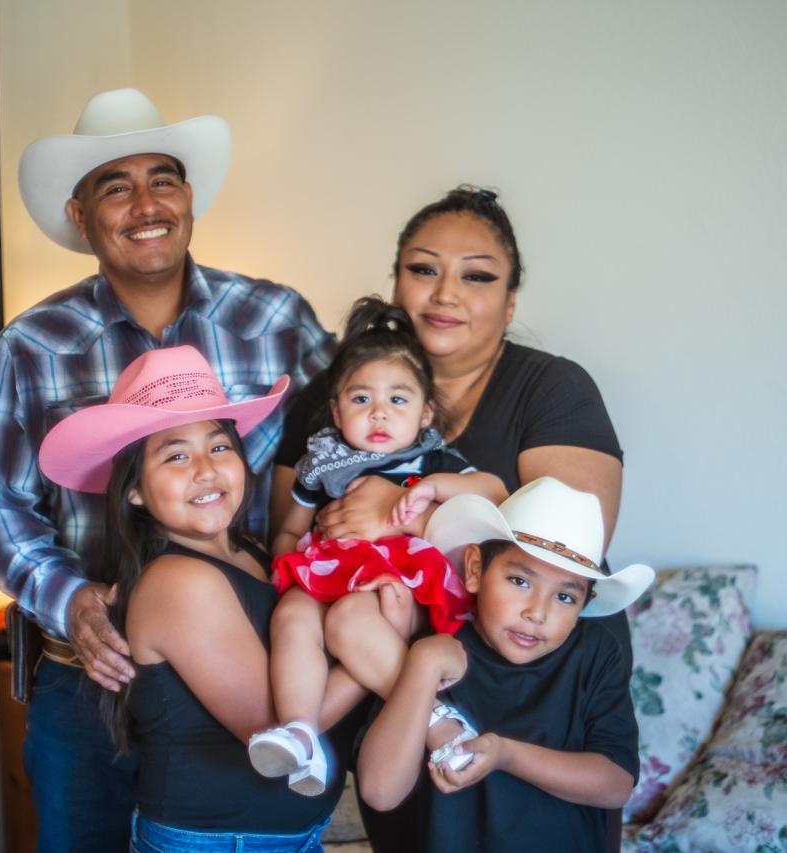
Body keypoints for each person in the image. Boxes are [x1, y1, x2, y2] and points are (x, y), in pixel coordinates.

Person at [0, 89, 333, 852]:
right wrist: (74, 602)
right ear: (80, 214)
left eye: (162, 178)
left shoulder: (276, 319)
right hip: (90, 673)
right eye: (115, 186)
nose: (145, 203)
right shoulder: (30, 345)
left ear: (189, 196)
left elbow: (340, 449)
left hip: (247, 655)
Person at [270, 186, 629, 851]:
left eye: (477, 275)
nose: (445, 292)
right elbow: (294, 525)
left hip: (531, 685)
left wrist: (399, 511)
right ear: (396, 281)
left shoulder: (553, 387)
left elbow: (574, 538)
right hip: (392, 687)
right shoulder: (335, 392)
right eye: (423, 268)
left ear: (511, 301)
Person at [37, 346, 365, 852]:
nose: (206, 469)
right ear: (135, 492)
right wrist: (387, 659)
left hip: (285, 838)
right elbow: (277, 732)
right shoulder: (179, 583)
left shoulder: (251, 553)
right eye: (175, 455)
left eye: (219, 447)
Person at [247, 296, 505, 797]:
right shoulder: (321, 462)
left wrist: (434, 491)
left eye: (399, 400)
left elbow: (495, 492)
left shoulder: (429, 461)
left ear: (427, 412)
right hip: (323, 567)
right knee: (291, 618)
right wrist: (283, 567)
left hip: (395, 575)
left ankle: (436, 719)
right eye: (361, 399)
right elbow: (288, 527)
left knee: (351, 621)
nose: (379, 413)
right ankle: (300, 731)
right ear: (337, 410)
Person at [358, 477, 654, 852]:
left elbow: (615, 785)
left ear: (585, 605)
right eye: (519, 580)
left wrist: (505, 755)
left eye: (564, 596)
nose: (537, 613)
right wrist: (423, 662)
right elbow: (380, 792)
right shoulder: (437, 646)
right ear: (475, 569)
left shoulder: (595, 653)